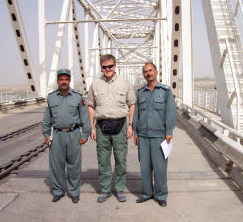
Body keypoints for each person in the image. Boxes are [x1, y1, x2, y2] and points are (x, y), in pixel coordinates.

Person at [87, 54, 136, 203]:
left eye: (110, 66)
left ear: (115, 66)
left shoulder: (124, 83)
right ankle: (105, 189)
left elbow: (132, 104)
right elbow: (91, 106)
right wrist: (92, 128)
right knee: (103, 161)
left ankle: (120, 189)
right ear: (101, 68)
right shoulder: (95, 84)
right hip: (101, 127)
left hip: (120, 126)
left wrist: (130, 125)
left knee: (120, 159)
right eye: (104, 67)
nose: (107, 69)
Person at [42, 69, 91, 203]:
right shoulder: (51, 97)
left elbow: (84, 117)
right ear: (58, 81)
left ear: (69, 80)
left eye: (66, 79)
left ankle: (74, 192)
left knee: (74, 166)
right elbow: (47, 118)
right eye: (61, 79)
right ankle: (58, 191)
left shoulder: (77, 97)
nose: (63, 82)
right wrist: (46, 134)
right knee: (56, 165)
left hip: (73, 134)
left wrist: (85, 134)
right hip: (57, 134)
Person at [133, 62, 177, 207]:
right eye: (145, 71)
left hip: (159, 136)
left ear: (156, 72)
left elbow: (171, 112)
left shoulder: (165, 91)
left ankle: (161, 195)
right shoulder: (140, 93)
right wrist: (135, 132)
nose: (148, 73)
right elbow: (137, 114)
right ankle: (146, 193)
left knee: (160, 167)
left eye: (150, 70)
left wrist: (169, 131)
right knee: (145, 167)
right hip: (144, 136)